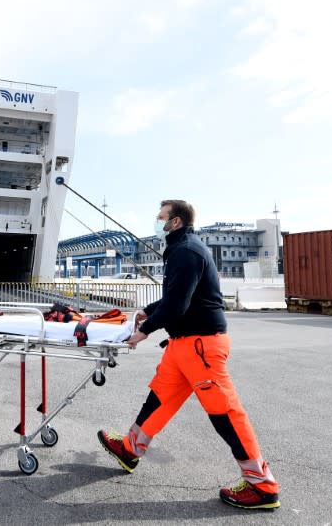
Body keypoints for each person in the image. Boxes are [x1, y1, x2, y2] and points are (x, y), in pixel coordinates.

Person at [97, 200, 280, 510]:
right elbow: (177, 298)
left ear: (176, 221)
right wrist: (146, 311)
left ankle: (262, 485)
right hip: (183, 345)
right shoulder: (182, 249)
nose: (157, 222)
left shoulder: (187, 251)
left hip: (201, 346)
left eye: (161, 217)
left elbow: (178, 304)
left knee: (224, 413)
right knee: (159, 399)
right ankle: (130, 449)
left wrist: (144, 330)